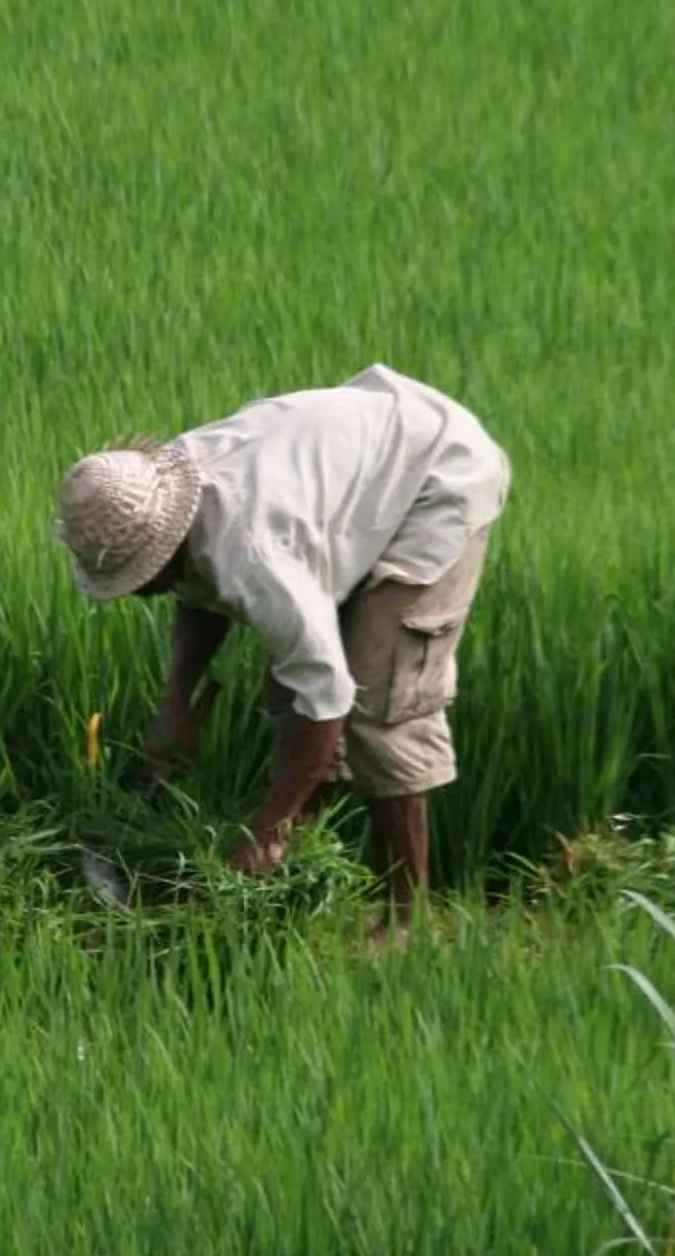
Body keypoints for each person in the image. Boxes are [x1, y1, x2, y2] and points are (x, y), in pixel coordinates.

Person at [53, 364, 509, 944]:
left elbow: (326, 696)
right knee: (294, 694)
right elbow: (199, 585)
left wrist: (268, 822)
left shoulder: (255, 555)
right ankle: (295, 870)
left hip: (435, 478)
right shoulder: (157, 491)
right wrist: (178, 698)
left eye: (137, 574)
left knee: (375, 705)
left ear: (164, 542)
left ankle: (405, 919)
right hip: (356, 477)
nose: (135, 588)